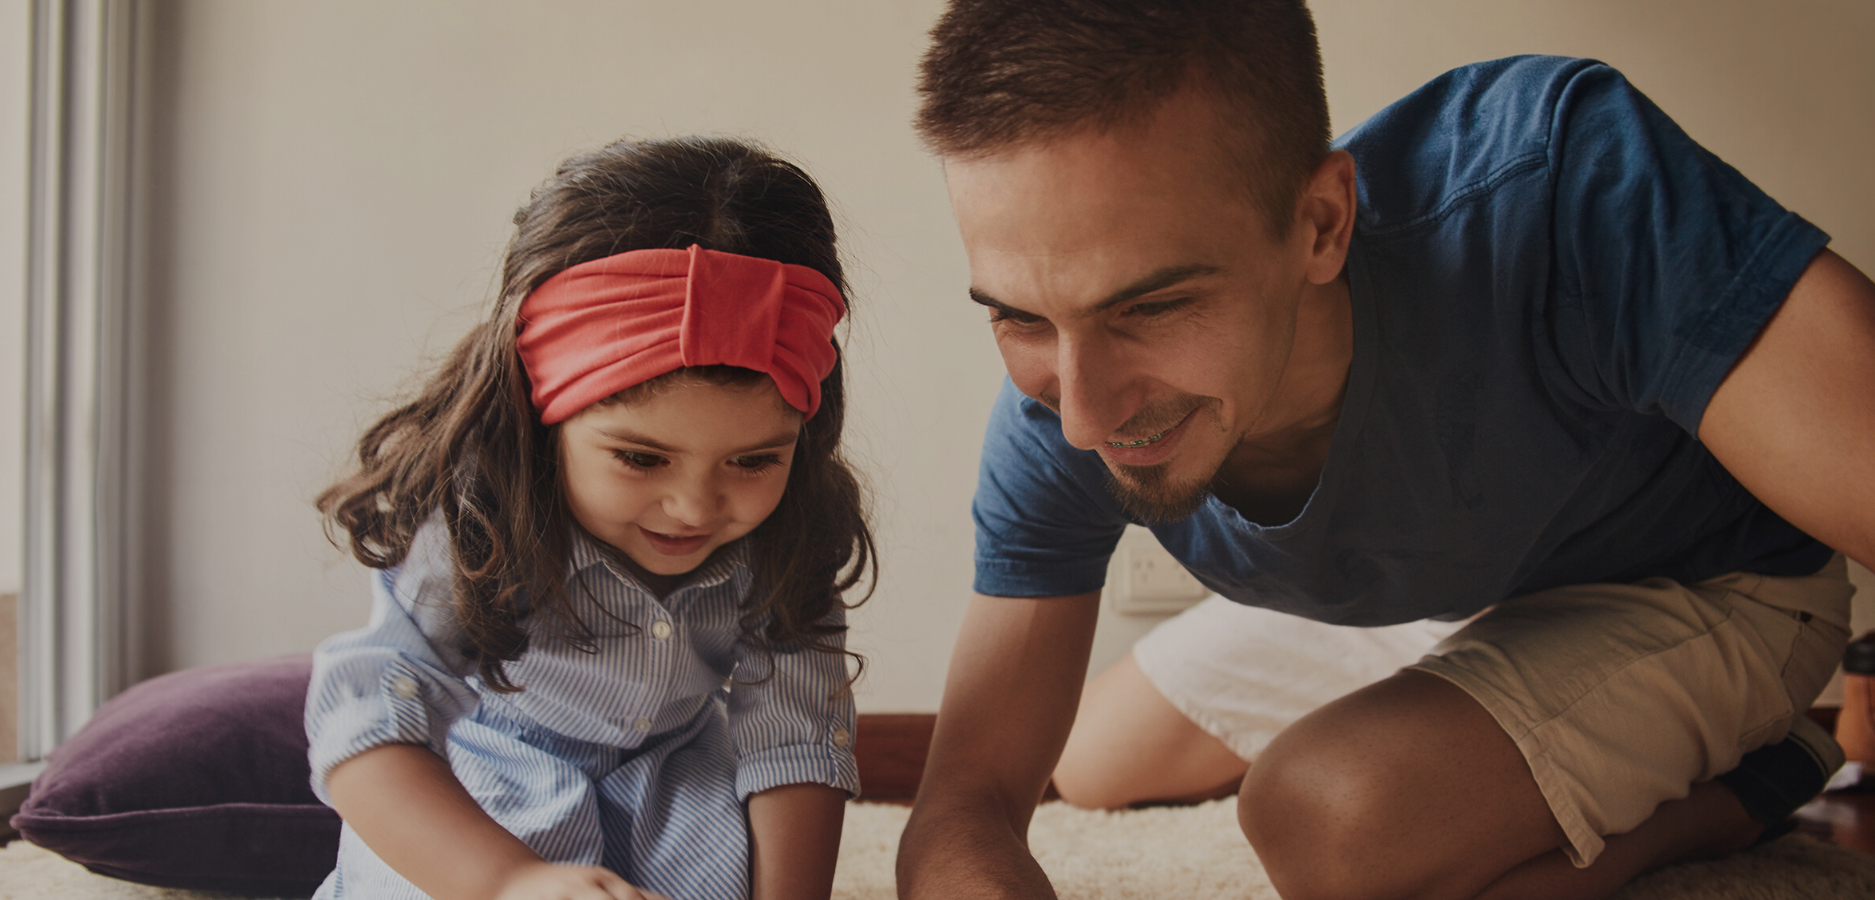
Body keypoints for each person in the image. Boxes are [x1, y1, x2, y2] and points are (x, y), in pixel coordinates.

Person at [897, 2, 1875, 899]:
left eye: (1150, 305)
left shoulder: (1553, 186)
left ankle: (1749, 785)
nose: (1083, 415)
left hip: (1712, 581)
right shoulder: (1060, 403)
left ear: (1322, 223)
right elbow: (964, 805)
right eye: (1021, 316)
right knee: (1095, 762)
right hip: (1473, 577)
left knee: (1329, 820)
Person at [304, 137, 874, 900]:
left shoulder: (789, 536)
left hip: (675, 790)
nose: (695, 507)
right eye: (641, 459)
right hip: (488, 791)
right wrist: (509, 881)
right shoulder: (477, 515)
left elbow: (797, 738)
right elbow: (369, 713)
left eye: (753, 461)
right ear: (541, 411)